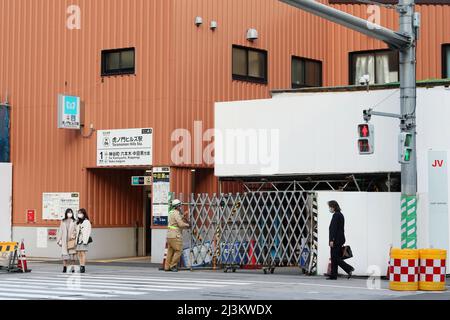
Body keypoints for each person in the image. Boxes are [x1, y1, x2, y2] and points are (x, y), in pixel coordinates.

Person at [327, 200, 354, 280]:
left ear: (333, 207)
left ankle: (348, 269)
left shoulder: (336, 215)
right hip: (340, 239)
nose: (329, 209)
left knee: (335, 257)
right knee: (334, 257)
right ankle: (333, 275)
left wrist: (332, 240)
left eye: (330, 207)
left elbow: (333, 229)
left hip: (336, 240)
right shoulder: (340, 215)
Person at [164, 199, 190, 272]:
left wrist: (183, 216)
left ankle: (167, 266)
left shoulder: (171, 212)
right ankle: (173, 265)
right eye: (180, 206)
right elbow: (180, 224)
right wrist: (188, 225)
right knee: (179, 250)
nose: (180, 207)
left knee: (170, 251)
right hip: (175, 235)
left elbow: (175, 221)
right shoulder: (176, 213)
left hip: (169, 235)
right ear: (177, 206)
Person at [56, 208, 77, 273]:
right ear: (66, 213)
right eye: (68, 212)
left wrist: (73, 235)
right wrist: (58, 240)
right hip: (64, 239)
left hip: (71, 240)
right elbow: (60, 231)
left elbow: (76, 230)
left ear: (72, 213)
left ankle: (73, 268)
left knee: (72, 254)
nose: (69, 213)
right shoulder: (63, 221)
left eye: (71, 212)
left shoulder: (75, 221)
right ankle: (64, 267)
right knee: (64, 254)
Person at [75, 208, 92, 274]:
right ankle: (81, 265)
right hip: (78, 240)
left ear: (84, 214)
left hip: (83, 239)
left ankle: (83, 266)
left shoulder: (86, 221)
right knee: (79, 253)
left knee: (82, 253)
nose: (79, 214)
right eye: (78, 213)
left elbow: (88, 231)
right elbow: (76, 231)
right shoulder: (78, 222)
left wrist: (85, 240)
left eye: (81, 213)